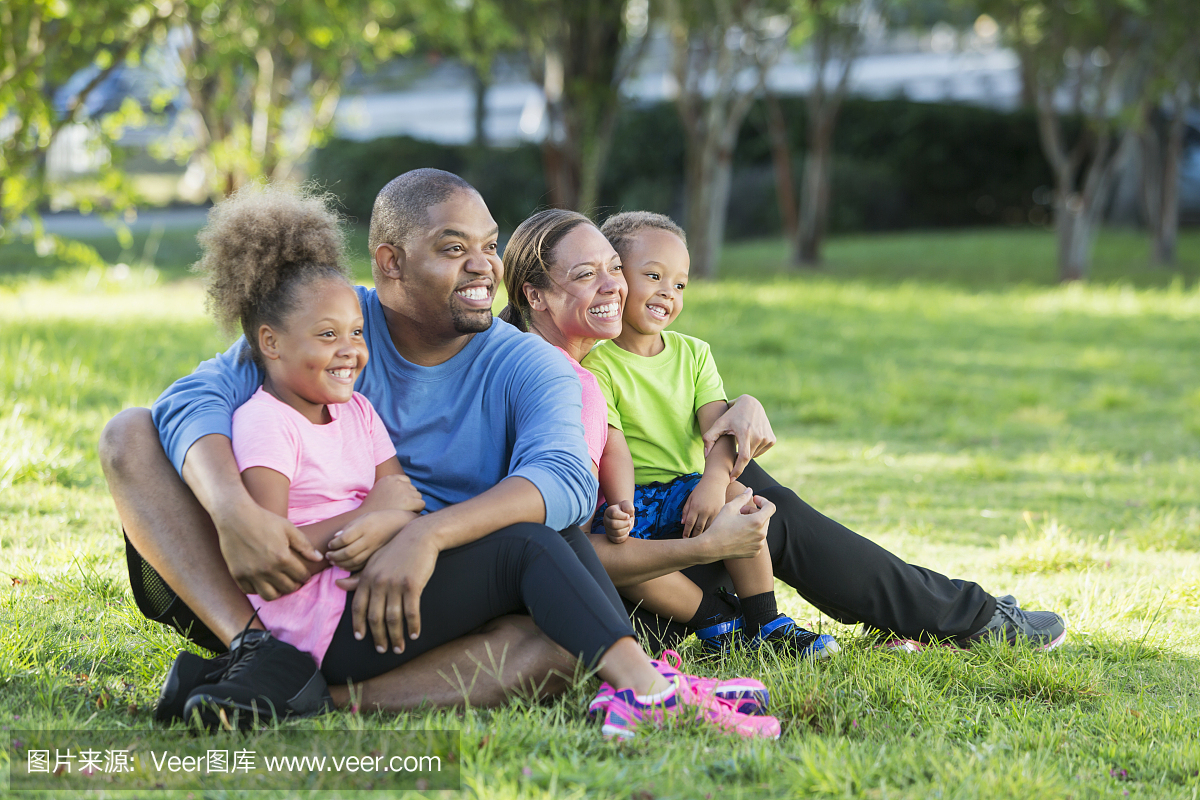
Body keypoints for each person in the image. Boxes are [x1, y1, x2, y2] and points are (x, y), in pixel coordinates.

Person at [102, 170, 781, 739]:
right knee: (127, 431)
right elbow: (187, 403)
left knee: (565, 632)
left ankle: (313, 698)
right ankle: (256, 652)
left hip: (411, 597)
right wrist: (231, 512)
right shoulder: (331, 325)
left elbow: (568, 480)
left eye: (488, 246)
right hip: (267, 585)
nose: (485, 266)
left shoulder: (526, 363)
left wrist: (424, 532)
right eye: (455, 248)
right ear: (391, 262)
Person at [499, 208, 1067, 655]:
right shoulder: (557, 385)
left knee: (744, 481)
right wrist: (705, 543)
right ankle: (957, 614)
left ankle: (936, 609)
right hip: (619, 597)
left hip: (649, 559)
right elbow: (569, 550)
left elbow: (690, 413)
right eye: (587, 273)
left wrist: (738, 410)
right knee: (771, 508)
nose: (615, 287)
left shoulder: (589, 364)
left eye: (614, 270)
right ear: (536, 294)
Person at [499, 209, 838, 661]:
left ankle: (765, 618)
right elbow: (608, 457)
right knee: (627, 554)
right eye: (652, 275)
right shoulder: (585, 370)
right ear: (535, 295)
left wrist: (718, 473)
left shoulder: (684, 354)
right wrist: (623, 503)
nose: (666, 292)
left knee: (744, 494)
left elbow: (703, 428)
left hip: (675, 493)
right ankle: (717, 618)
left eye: (679, 284)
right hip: (603, 524)